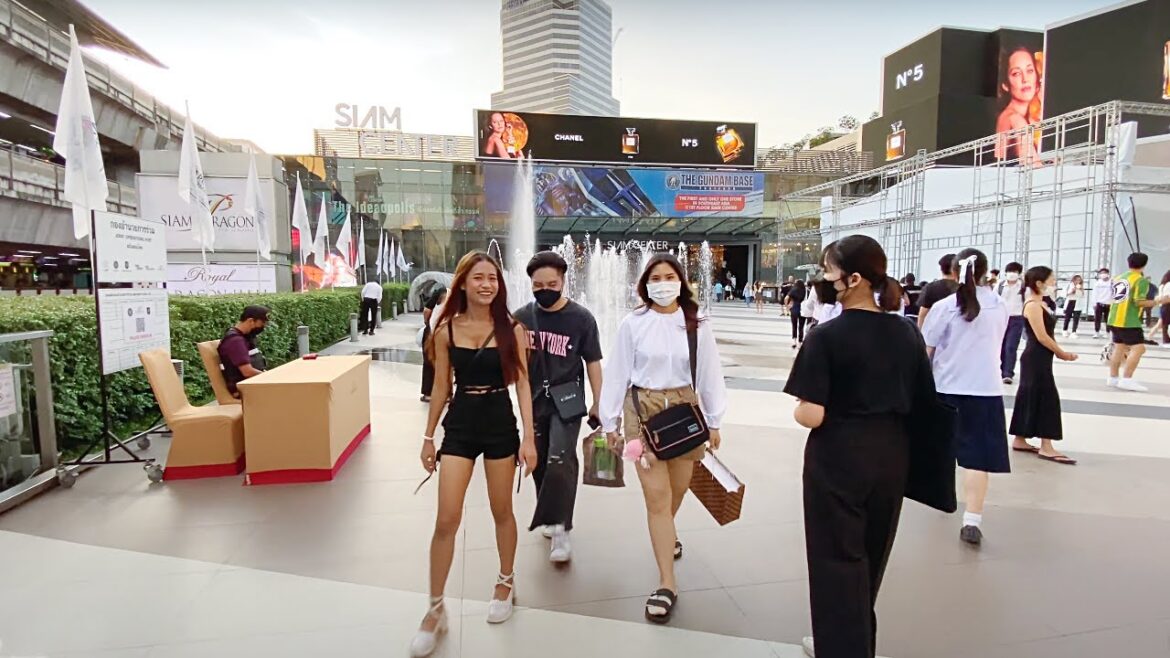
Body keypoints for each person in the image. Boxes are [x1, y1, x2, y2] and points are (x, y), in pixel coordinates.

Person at [784, 236, 942, 658]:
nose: (824, 278)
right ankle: (857, 641)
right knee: (872, 553)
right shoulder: (906, 332)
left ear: (853, 279)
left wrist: (799, 409)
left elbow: (812, 414)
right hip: (892, 455)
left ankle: (840, 647)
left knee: (836, 559)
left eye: (829, 270)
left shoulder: (826, 336)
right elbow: (924, 399)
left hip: (839, 457)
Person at [411, 252, 537, 658]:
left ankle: (505, 580)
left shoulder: (512, 329)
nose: (487, 284)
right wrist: (428, 437)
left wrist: (529, 438)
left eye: (493, 278)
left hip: (499, 421)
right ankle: (435, 609)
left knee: (502, 510)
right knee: (446, 518)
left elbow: (523, 385)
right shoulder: (446, 329)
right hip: (461, 423)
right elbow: (440, 388)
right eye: (479, 277)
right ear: (463, 283)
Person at [598, 253, 726, 625]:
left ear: (681, 281)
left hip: (685, 411)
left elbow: (710, 373)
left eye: (670, 276)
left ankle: (666, 532)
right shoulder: (633, 323)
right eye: (655, 278)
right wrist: (609, 422)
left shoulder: (696, 324)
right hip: (644, 410)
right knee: (657, 498)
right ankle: (667, 582)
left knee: (678, 490)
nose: (663, 284)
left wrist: (715, 420)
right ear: (645, 284)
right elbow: (617, 372)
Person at [513, 251, 603, 564]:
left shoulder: (581, 318)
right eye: (538, 285)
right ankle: (550, 516)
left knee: (560, 458)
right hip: (534, 400)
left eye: (551, 284)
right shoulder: (522, 317)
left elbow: (593, 362)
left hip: (567, 401)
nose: (545, 290)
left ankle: (562, 526)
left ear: (563, 281)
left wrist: (599, 402)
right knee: (539, 460)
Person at [921, 249, 1009, 547]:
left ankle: (941, 500)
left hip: (947, 387)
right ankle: (972, 520)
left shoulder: (945, 307)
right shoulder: (999, 305)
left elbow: (927, 349)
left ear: (954, 271)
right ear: (986, 272)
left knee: (942, 451)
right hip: (986, 389)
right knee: (978, 459)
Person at [1010, 267, 1079, 465]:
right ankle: (1046, 445)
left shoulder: (1042, 304)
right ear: (1039, 283)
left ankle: (1020, 438)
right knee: (1046, 396)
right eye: (1051, 280)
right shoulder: (1032, 305)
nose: (1054, 284)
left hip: (1041, 356)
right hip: (1035, 356)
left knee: (1030, 395)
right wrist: (1062, 353)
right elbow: (1041, 336)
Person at [1106, 252, 1166, 392]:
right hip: (1129, 321)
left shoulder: (1120, 277)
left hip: (1114, 318)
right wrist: (1158, 301)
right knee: (1138, 349)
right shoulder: (1140, 280)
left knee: (1119, 348)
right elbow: (1139, 302)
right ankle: (1127, 379)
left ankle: (1113, 378)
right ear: (1144, 264)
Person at [994, 46, 1041, 165]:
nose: (1025, 79)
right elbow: (1035, 168)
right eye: (1016, 73)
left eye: (1030, 71)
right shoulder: (1015, 119)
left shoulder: (1009, 116)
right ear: (1005, 84)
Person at [217, 305, 269, 398]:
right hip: (243, 389)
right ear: (251, 321)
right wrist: (269, 377)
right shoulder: (235, 341)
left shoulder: (243, 337)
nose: (263, 326)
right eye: (262, 323)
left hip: (250, 384)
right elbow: (247, 372)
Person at [997, 262, 1026, 385]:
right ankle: (999, 371)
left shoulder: (1023, 287)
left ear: (1019, 273)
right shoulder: (1000, 285)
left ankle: (1008, 373)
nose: (1012, 274)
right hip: (1001, 319)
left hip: (1017, 319)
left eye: (1015, 272)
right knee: (1000, 346)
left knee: (1011, 346)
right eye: (1010, 271)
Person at [916, 254, 959, 330]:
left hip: (935, 330)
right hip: (960, 331)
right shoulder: (966, 288)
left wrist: (920, 333)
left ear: (941, 269)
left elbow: (923, 313)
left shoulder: (930, 287)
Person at [420, 288, 447, 403]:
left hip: (433, 330)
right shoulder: (464, 295)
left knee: (429, 361)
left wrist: (427, 322)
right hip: (451, 332)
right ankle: (447, 394)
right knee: (447, 363)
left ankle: (428, 393)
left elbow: (427, 310)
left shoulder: (443, 291)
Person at [785, 279, 808, 347]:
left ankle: (794, 341)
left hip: (794, 309)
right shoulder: (806, 291)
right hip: (803, 310)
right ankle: (800, 342)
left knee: (794, 325)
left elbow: (786, 298)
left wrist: (787, 307)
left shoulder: (793, 290)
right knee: (801, 327)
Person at [1150, 270, 1170, 346]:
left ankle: (1165, 341)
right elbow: (1167, 298)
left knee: (1162, 324)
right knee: (1164, 325)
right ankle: (1166, 341)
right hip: (1167, 306)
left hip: (1163, 307)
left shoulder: (1162, 285)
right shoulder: (1169, 285)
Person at [1091, 267, 1113, 338]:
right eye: (1101, 273)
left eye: (1104, 273)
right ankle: (1097, 332)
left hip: (1109, 304)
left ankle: (1108, 332)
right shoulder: (1098, 283)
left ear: (1108, 274)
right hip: (1099, 303)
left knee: (1108, 319)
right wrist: (1094, 303)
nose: (1103, 274)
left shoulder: (1112, 282)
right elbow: (1094, 294)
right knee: (1097, 319)